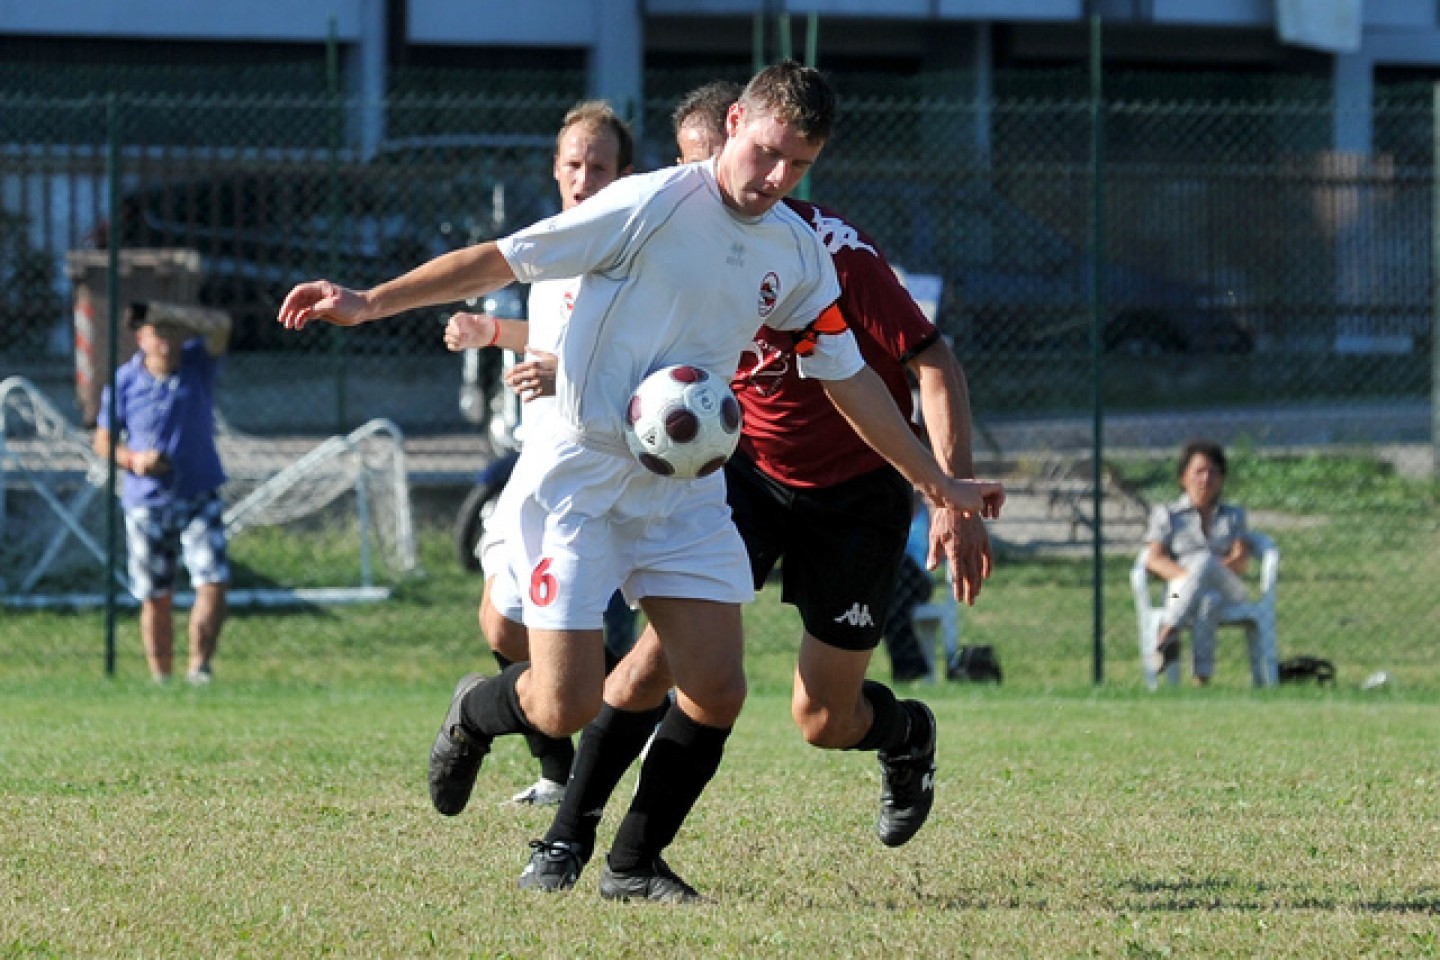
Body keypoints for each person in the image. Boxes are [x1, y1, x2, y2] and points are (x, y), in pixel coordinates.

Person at [277, 60, 1004, 903]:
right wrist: (368, 301)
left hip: (688, 490)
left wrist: (939, 484)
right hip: (586, 480)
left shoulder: (799, 250)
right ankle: (479, 711)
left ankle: (631, 865)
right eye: (767, 152)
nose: (775, 179)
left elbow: (850, 380)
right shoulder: (648, 204)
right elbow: (501, 259)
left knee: (718, 685)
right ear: (735, 122)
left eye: (798, 166)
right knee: (565, 703)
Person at [517, 79, 995, 895]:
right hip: (747, 478)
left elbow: (933, 361)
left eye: (785, 166)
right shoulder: (676, 224)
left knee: (821, 720)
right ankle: (575, 847)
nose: (747, 186)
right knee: (647, 669)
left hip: (856, 494)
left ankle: (905, 733)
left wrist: (947, 493)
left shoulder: (829, 254)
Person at [449, 100, 638, 807]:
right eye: (573, 166)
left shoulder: (627, 252)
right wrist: (492, 330)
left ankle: (622, 734)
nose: (584, 179)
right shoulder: (551, 248)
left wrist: (567, 378)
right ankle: (562, 767)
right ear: (555, 171)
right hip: (540, 460)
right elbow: (554, 331)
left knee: (573, 651)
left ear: (625, 175)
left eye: (599, 166)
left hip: (600, 471)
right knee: (502, 622)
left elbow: (645, 362)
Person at [93, 301, 232, 684]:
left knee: (212, 578)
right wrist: (135, 460)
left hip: (198, 490)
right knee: (155, 594)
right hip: (147, 500)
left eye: (171, 333)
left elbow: (220, 324)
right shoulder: (124, 381)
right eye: (157, 333)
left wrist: (169, 311)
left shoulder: (197, 364)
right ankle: (162, 678)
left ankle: (199, 668)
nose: (166, 343)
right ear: (141, 339)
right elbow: (103, 442)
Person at [1143, 440, 1250, 685]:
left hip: (1229, 587)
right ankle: (1201, 679)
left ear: (1222, 478)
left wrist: (1204, 569)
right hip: (1181, 592)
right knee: (1206, 599)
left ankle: (1168, 634)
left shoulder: (1234, 515)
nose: (1206, 478)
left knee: (1202, 561)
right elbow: (1155, 559)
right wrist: (1190, 579)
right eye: (1199, 472)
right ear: (1183, 477)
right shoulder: (1166, 515)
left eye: (1213, 472)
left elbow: (1240, 562)